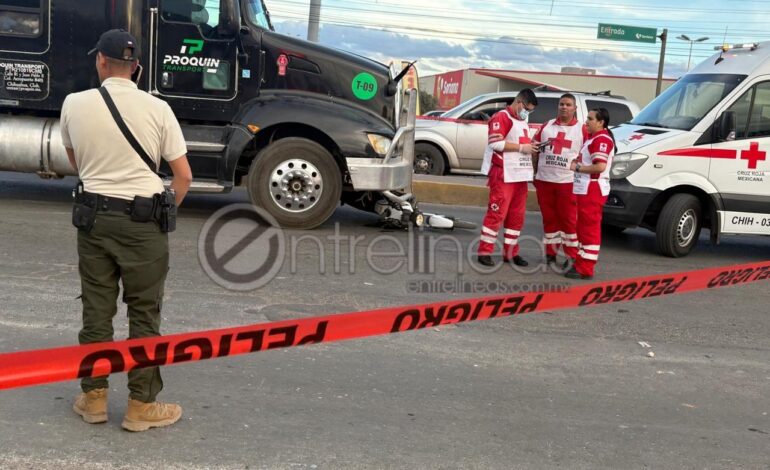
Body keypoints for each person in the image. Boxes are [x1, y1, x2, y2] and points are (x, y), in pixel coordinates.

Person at [60, 29, 193, 431]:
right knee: (144, 312)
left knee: (96, 309)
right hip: (143, 224)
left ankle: (94, 397)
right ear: (135, 68)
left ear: (100, 61)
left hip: (94, 218)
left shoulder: (74, 104)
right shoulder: (158, 108)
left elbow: (77, 162)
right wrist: (161, 212)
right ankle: (140, 406)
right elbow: (182, 176)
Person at [477, 89, 539, 267]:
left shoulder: (522, 120)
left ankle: (511, 253)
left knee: (516, 217)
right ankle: (484, 251)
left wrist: (530, 147)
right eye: (527, 108)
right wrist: (522, 148)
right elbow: (495, 143)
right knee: (496, 214)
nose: (528, 113)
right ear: (519, 102)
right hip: (503, 173)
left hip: (520, 174)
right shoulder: (501, 117)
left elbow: (520, 143)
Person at [532, 93, 586, 268]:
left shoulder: (582, 129)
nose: (564, 107)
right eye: (562, 104)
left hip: (567, 182)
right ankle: (550, 254)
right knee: (549, 219)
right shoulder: (547, 126)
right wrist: (534, 173)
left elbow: (587, 155)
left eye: (568, 105)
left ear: (575, 109)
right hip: (544, 181)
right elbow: (534, 149)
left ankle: (571, 256)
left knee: (568, 221)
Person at [566, 108, 615, 280]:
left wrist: (578, 167)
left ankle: (586, 268)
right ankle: (581, 261)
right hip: (586, 188)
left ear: (601, 122)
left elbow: (600, 166)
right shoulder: (593, 138)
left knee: (589, 229)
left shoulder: (601, 139)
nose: (586, 121)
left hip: (593, 189)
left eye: (590, 118)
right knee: (582, 227)